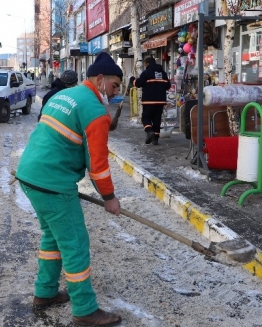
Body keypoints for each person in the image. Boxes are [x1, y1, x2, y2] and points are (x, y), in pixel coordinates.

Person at [15, 52, 123, 326]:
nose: (115, 92)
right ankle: (85, 309)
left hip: (30, 173)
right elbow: (98, 165)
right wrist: (109, 198)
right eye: (114, 86)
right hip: (53, 182)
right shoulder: (96, 112)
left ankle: (45, 292)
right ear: (100, 80)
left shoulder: (66, 95)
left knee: (53, 239)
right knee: (75, 244)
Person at [131, 56, 170, 146]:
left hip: (149, 101)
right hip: (160, 101)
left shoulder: (146, 73)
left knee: (146, 118)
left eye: (145, 64)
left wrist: (132, 79)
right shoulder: (163, 73)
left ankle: (149, 131)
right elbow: (168, 86)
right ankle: (155, 139)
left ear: (147, 63)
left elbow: (138, 84)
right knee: (157, 120)